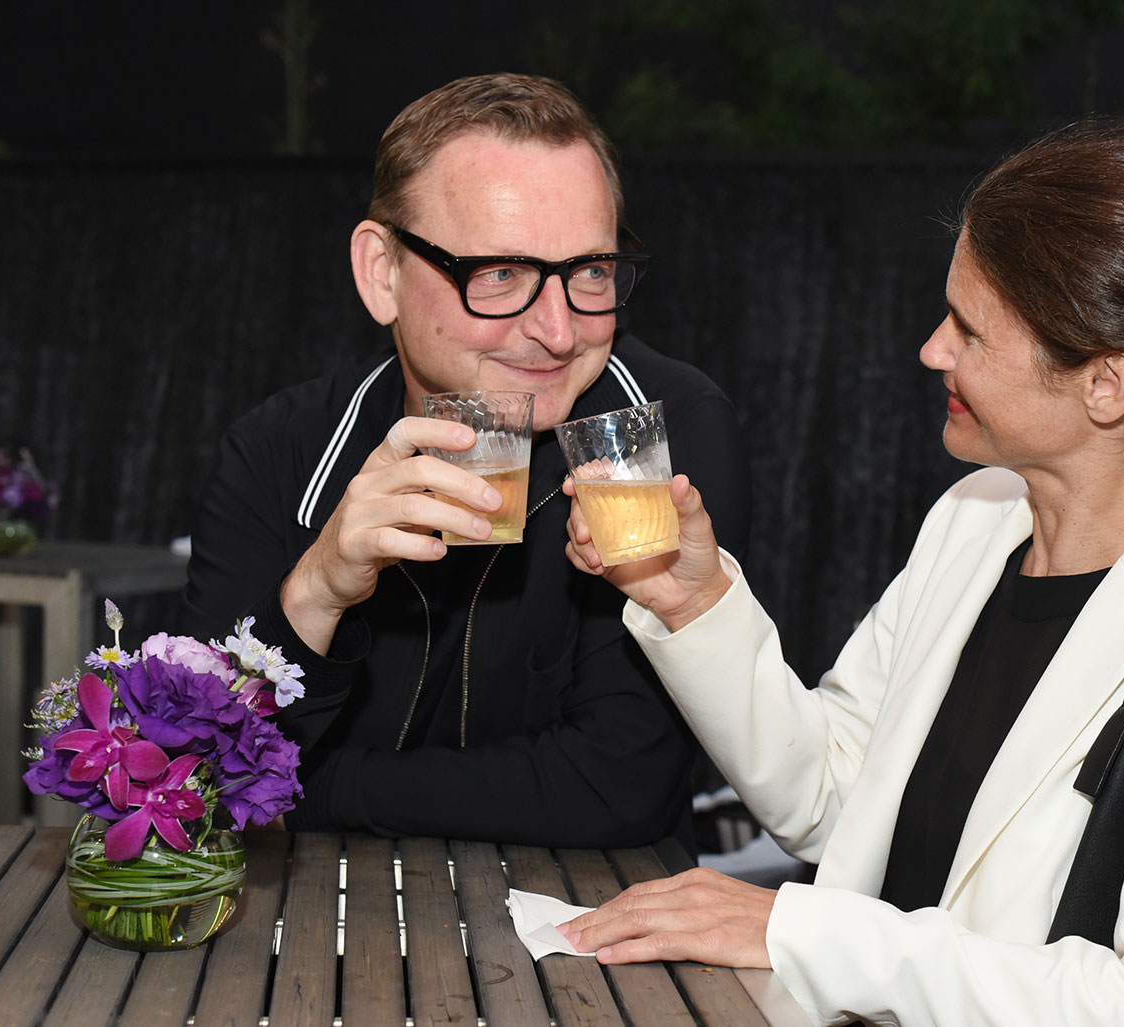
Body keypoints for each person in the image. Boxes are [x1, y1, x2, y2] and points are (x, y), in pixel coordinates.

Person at [556, 124, 1124, 1025]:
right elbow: (835, 802)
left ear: (1108, 382)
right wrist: (693, 600)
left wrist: (805, 931)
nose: (931, 350)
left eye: (970, 331)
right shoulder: (975, 518)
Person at [182, 74, 750, 847]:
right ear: (382, 272)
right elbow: (188, 779)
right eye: (501, 274)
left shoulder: (664, 430)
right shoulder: (278, 450)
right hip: (314, 926)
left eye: (591, 271)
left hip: (584, 938)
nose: (558, 330)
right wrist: (316, 592)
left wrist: (306, 785)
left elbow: (620, 787)